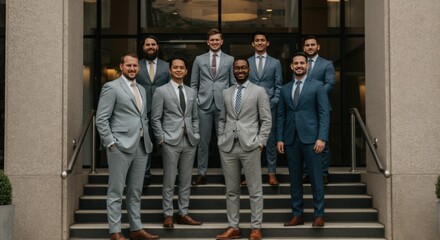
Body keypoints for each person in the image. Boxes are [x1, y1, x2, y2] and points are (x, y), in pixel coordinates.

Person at [95, 52, 159, 240]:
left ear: (138, 68)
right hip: (119, 147)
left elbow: (143, 117)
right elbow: (101, 119)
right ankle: (115, 232)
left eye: (135, 66)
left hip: (141, 145)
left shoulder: (141, 89)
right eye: (128, 65)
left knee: (135, 191)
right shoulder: (111, 87)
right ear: (121, 67)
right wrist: (111, 143)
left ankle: (135, 228)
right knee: (116, 190)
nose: (132, 69)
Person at [215, 59, 272, 240]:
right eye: (237, 68)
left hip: (250, 146)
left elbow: (266, 120)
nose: (240, 70)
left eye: (243, 68)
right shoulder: (226, 92)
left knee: (255, 190)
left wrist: (260, 142)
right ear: (233, 70)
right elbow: (222, 119)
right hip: (228, 146)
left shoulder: (259, 91)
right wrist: (221, 138)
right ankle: (234, 227)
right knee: (231, 190)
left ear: (249, 70)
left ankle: (256, 228)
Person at [276, 51, 330, 228]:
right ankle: (297, 214)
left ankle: (319, 215)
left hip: (312, 139)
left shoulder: (318, 86)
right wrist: (280, 138)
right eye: (296, 63)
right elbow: (281, 116)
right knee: (295, 179)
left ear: (307, 65)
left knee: (315, 178)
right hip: (291, 139)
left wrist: (322, 138)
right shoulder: (284, 89)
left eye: (302, 63)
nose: (299, 66)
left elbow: (323, 113)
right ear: (291, 66)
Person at [151, 57, 202, 228]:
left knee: (186, 179)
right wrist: (161, 139)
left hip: (189, 141)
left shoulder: (191, 92)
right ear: (170, 70)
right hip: (170, 141)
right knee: (169, 179)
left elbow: (195, 117)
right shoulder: (161, 91)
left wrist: (196, 134)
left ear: (186, 71)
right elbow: (155, 118)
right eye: (175, 67)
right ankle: (168, 214)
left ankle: (183, 213)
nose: (179, 70)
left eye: (182, 67)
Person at [190, 28, 235, 185]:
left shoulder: (230, 60)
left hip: (223, 106)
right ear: (208, 42)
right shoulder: (199, 59)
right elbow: (194, 84)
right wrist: (195, 102)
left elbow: (232, 84)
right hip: (204, 105)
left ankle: (227, 173)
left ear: (221, 41)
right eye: (212, 40)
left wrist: (230, 104)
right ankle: (202, 173)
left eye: (217, 40)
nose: (215, 42)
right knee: (203, 142)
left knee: (224, 141)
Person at [245, 31, 282, 186]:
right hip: (249, 107)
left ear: (267, 43)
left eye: (262, 40)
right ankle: (249, 176)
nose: (260, 42)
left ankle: (271, 173)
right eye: (257, 40)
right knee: (249, 141)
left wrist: (272, 102)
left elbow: (278, 85)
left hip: (268, 107)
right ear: (253, 44)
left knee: (269, 140)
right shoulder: (247, 62)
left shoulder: (275, 63)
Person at [136, 35, 170, 185]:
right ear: (143, 47)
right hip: (144, 111)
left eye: (153, 44)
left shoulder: (166, 66)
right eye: (147, 45)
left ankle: (169, 175)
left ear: (158, 47)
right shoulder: (136, 65)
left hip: (163, 111)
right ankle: (145, 175)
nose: (150, 47)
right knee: (146, 145)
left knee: (167, 145)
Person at [302, 36, 336, 184]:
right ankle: (306, 173)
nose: (310, 47)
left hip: (320, 106)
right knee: (304, 140)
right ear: (304, 48)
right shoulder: (300, 63)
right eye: (307, 45)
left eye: (312, 45)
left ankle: (323, 173)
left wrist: (314, 94)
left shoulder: (327, 64)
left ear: (318, 47)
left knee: (323, 140)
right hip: (303, 108)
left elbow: (330, 83)